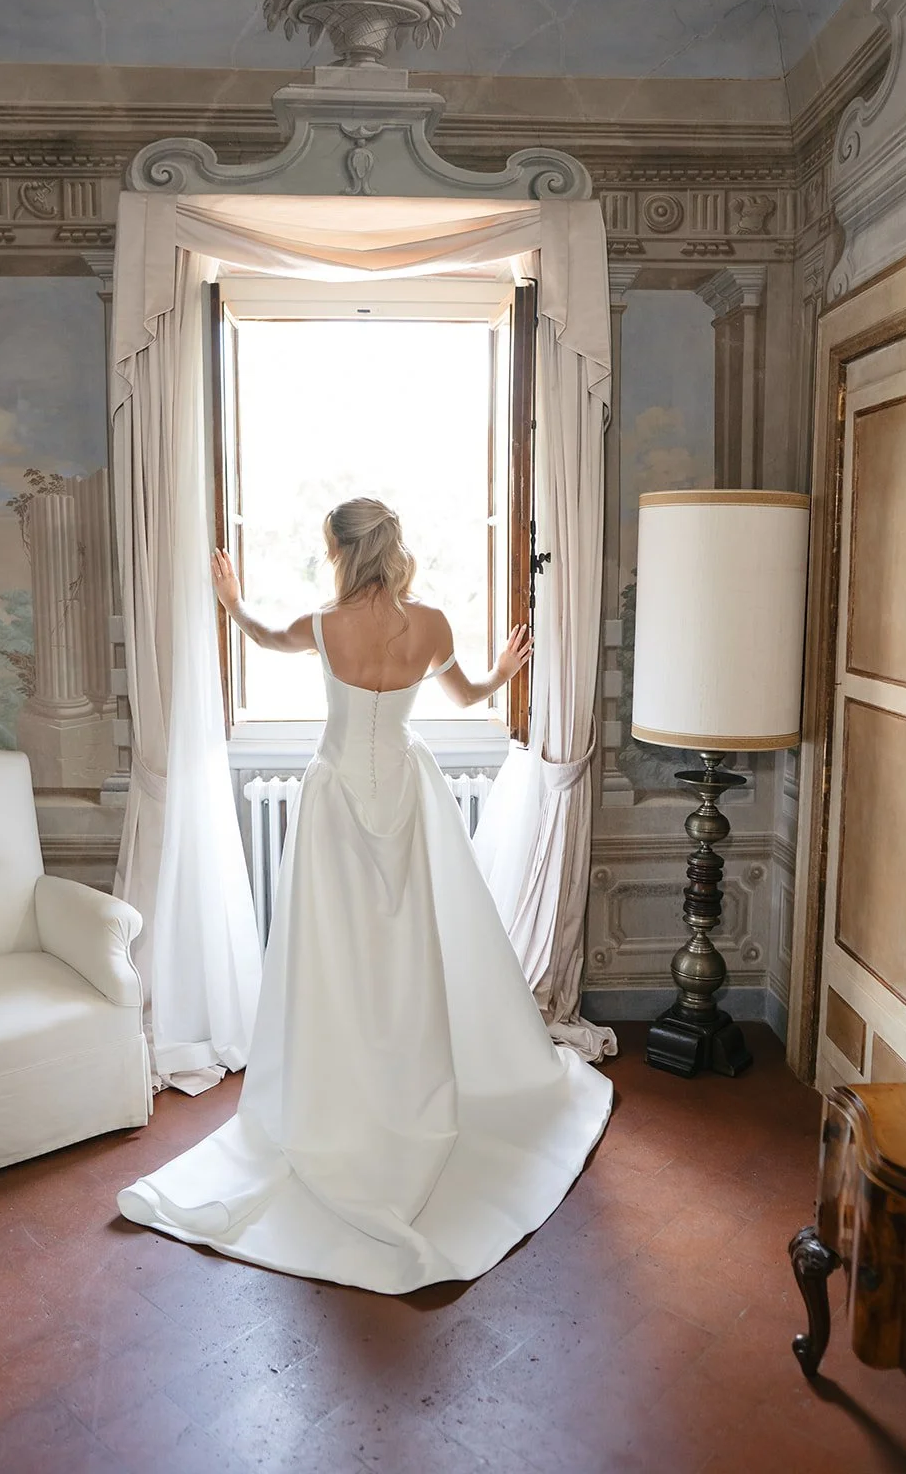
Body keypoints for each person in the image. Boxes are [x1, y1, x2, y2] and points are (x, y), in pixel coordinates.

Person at [118, 497, 613, 1294]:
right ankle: (404, 1079)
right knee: (407, 947)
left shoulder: (323, 625)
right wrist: (503, 671)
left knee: (337, 952)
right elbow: (467, 695)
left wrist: (231, 600)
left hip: (338, 799)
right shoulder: (434, 624)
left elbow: (259, 634)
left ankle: (345, 1087)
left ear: (342, 553)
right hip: (407, 796)